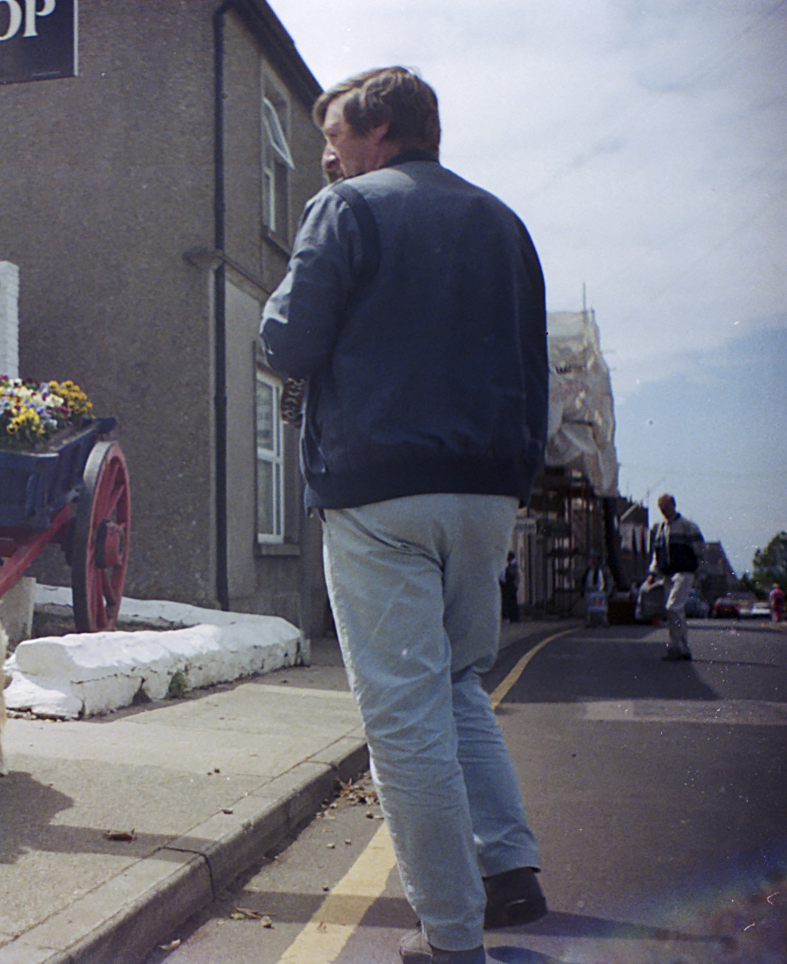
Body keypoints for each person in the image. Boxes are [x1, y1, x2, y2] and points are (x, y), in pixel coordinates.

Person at [260, 66, 548, 964]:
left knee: (404, 716)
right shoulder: (505, 224)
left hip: (380, 487)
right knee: (458, 678)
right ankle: (508, 869)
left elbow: (287, 341)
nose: (325, 156)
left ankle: (453, 942)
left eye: (334, 136)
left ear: (379, 128)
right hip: (487, 492)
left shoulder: (346, 210)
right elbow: (534, 372)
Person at [648, 494, 705, 659]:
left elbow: (700, 549)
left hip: (684, 572)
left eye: (665, 506)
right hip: (667, 574)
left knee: (673, 607)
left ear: (673, 505)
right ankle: (679, 647)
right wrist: (653, 572)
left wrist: (694, 567)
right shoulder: (659, 529)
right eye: (660, 507)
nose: (663, 510)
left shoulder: (687, 526)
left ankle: (678, 646)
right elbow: (656, 554)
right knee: (675, 611)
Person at [501, 553, 520, 623]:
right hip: (511, 586)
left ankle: (514, 617)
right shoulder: (511, 565)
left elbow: (513, 575)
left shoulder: (512, 566)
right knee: (511, 602)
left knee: (512, 602)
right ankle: (513, 617)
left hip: (511, 586)